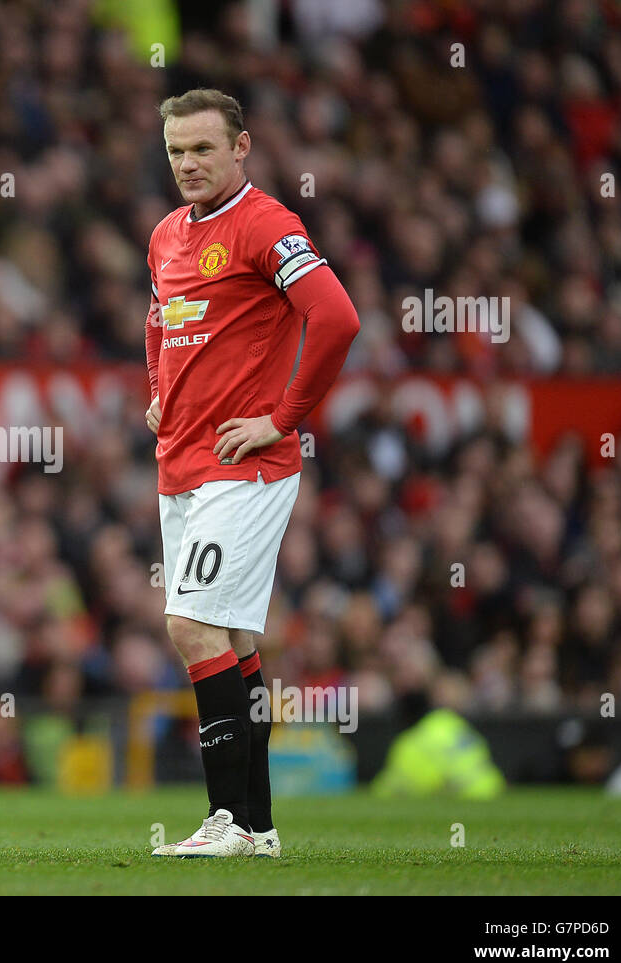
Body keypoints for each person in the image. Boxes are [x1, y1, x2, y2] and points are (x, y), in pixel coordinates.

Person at [143, 89, 360, 857]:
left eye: (203, 148)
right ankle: (259, 827)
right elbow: (161, 319)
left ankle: (225, 821)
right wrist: (159, 392)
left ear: (241, 148)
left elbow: (336, 318)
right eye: (176, 151)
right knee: (230, 637)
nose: (188, 164)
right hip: (184, 465)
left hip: (246, 465)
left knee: (188, 624)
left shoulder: (268, 223)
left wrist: (283, 419)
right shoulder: (168, 234)